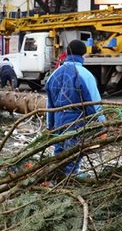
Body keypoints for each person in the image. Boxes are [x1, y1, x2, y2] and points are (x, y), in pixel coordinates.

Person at [45, 39, 105, 175]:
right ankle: (69, 184)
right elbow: (94, 104)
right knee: (73, 156)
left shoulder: (53, 75)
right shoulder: (85, 75)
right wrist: (102, 126)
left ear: (66, 53)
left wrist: (50, 126)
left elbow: (49, 105)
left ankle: (57, 183)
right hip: (76, 121)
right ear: (83, 55)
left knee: (59, 155)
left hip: (58, 121)